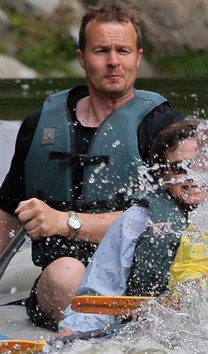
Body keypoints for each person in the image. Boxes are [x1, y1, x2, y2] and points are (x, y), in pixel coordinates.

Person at [0, 0, 183, 330]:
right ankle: (90, 331)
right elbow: (7, 213)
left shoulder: (164, 128)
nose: (113, 62)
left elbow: (164, 221)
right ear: (82, 58)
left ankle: (110, 332)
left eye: (123, 51)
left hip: (137, 280)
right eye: (101, 51)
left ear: (138, 57)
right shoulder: (40, 124)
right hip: (62, 274)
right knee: (66, 272)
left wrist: (64, 221)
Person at [58, 119, 208, 335]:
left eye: (203, 164)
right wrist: (76, 330)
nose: (193, 175)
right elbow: (100, 291)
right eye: (180, 168)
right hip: (150, 331)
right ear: (164, 175)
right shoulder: (137, 219)